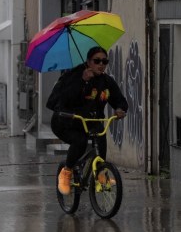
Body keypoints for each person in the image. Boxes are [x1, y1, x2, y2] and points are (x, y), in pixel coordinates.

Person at [50, 46, 128, 195]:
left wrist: (120, 109)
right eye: (97, 61)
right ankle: (66, 172)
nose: (101, 64)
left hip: (90, 121)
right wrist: (83, 81)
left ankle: (101, 175)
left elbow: (119, 100)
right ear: (88, 62)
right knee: (79, 141)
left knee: (100, 136)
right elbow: (64, 99)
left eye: (105, 61)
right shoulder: (74, 75)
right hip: (66, 122)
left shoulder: (106, 81)